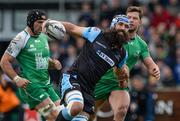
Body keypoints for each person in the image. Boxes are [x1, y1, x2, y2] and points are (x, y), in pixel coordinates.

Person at [42, 20, 129, 121]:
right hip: (73, 78)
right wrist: (52, 22)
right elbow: (72, 28)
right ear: (113, 25)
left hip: (89, 90)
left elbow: (119, 71)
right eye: (121, 24)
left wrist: (122, 81)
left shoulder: (122, 54)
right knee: (76, 107)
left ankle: (56, 114)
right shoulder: (96, 34)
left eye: (126, 26)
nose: (123, 28)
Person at [91, 6, 160, 121]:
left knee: (122, 110)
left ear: (140, 22)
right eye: (129, 17)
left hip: (119, 83)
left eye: (135, 18)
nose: (131, 20)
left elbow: (149, 62)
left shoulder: (141, 44)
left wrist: (155, 68)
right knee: (90, 114)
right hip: (99, 82)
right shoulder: (112, 37)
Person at [0, 9, 62, 121]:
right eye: (39, 22)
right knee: (54, 115)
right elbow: (4, 61)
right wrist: (16, 78)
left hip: (47, 85)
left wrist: (52, 63)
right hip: (32, 88)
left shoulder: (43, 37)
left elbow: (40, 60)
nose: (42, 25)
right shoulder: (20, 38)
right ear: (30, 22)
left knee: (61, 115)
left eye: (44, 22)